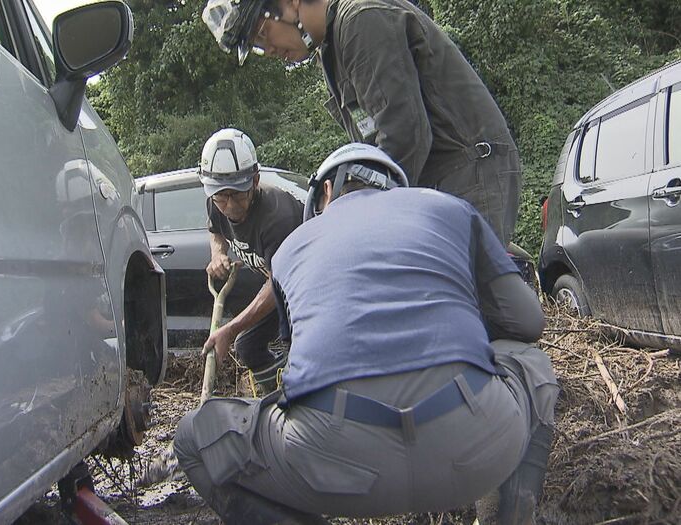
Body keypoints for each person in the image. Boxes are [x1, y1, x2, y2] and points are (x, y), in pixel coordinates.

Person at [174, 143, 558, 525]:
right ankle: (505, 515)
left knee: (193, 438)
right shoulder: (450, 209)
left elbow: (298, 368)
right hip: (474, 449)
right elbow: (529, 323)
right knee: (532, 361)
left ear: (325, 191)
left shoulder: (292, 247)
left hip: (334, 468)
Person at [202, 0, 522, 245]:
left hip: (468, 171)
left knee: (467, 306)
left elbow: (404, 135)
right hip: (434, 179)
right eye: (257, 47)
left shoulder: (360, 20)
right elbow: (373, 147)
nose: (268, 49)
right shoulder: (332, 49)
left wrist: (355, 208)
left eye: (262, 32)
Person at [199, 128, 304, 395]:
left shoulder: (277, 217)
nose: (230, 206)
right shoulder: (216, 201)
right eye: (222, 197)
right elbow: (216, 231)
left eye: (238, 194)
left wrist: (230, 329)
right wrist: (218, 255)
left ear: (255, 180)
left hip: (306, 285)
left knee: (297, 348)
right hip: (279, 284)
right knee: (247, 347)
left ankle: (298, 398)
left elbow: (276, 285)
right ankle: (274, 396)